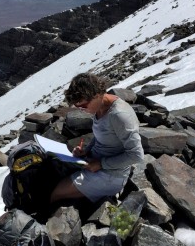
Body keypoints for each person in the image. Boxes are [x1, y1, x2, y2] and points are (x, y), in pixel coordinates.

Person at [50, 73, 144, 204]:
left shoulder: (119, 115)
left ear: (97, 95)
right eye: (78, 107)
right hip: (93, 162)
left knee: (55, 193)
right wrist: (86, 151)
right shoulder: (99, 107)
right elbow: (103, 135)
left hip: (111, 175)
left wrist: (101, 164)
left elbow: (136, 155)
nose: (82, 110)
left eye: (84, 106)